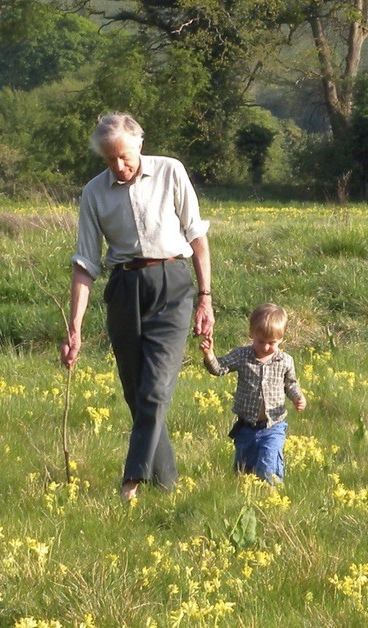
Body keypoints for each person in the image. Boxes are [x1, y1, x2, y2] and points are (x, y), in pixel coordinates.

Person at [62, 113, 214, 502]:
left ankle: (131, 480)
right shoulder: (94, 193)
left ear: (139, 145)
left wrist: (205, 297)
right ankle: (167, 486)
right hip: (124, 289)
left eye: (124, 156)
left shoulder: (171, 172)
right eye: (110, 159)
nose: (119, 165)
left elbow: (196, 235)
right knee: (136, 393)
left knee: (156, 389)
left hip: (172, 284)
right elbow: (85, 263)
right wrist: (75, 329)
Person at [199, 302, 307, 484]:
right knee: (243, 471)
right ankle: (245, 498)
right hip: (246, 426)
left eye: (272, 343)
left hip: (273, 426)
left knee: (268, 464)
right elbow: (219, 369)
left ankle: (271, 494)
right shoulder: (242, 356)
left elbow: (291, 384)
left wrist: (298, 397)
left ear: (281, 338)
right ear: (251, 334)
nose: (265, 347)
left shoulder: (285, 361)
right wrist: (209, 355)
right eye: (260, 341)